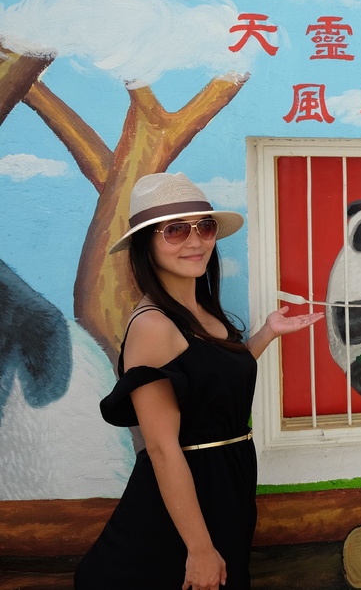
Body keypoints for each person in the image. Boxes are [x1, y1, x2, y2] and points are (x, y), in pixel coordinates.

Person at [75, 172, 322, 590]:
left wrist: (265, 334)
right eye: (175, 230)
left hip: (225, 480)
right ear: (147, 244)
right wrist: (200, 549)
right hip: (186, 495)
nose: (195, 242)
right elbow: (161, 447)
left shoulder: (203, 312)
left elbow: (211, 383)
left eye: (204, 227)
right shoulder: (153, 325)